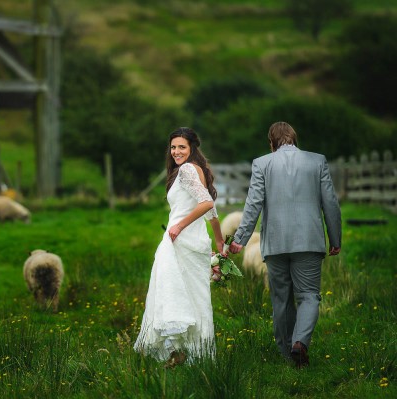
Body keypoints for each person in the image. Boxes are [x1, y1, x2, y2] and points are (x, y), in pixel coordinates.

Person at [229, 121, 342, 368]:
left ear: (271, 142)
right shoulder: (317, 161)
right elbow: (330, 203)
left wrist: (239, 240)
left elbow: (253, 204)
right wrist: (335, 239)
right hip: (309, 242)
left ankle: (286, 354)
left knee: (281, 299)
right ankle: (300, 343)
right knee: (309, 296)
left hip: (275, 244)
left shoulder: (261, 163)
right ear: (294, 139)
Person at [134, 127, 224, 368]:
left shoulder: (186, 170)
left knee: (172, 290)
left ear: (192, 148)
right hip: (194, 242)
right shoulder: (198, 170)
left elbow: (206, 203)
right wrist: (219, 241)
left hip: (180, 241)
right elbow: (211, 209)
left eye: (181, 147)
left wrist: (179, 226)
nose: (176, 151)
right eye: (173, 147)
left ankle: (178, 349)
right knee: (194, 296)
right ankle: (194, 354)